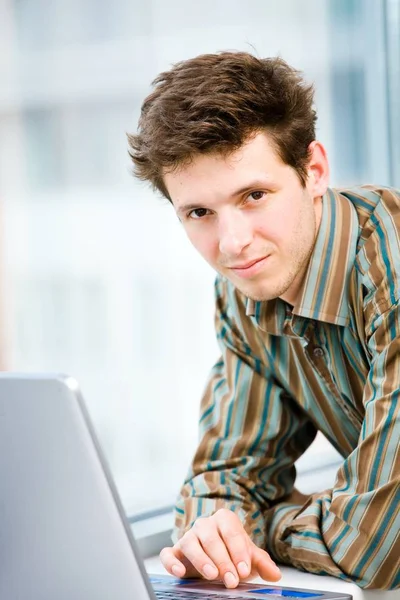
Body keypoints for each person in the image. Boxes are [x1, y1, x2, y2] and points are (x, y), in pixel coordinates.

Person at [128, 51, 400, 591]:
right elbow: (225, 480)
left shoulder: (391, 270)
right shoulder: (247, 288)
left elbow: (376, 546)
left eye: (254, 196)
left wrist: (266, 527)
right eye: (199, 213)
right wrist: (218, 533)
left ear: (314, 170)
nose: (231, 244)